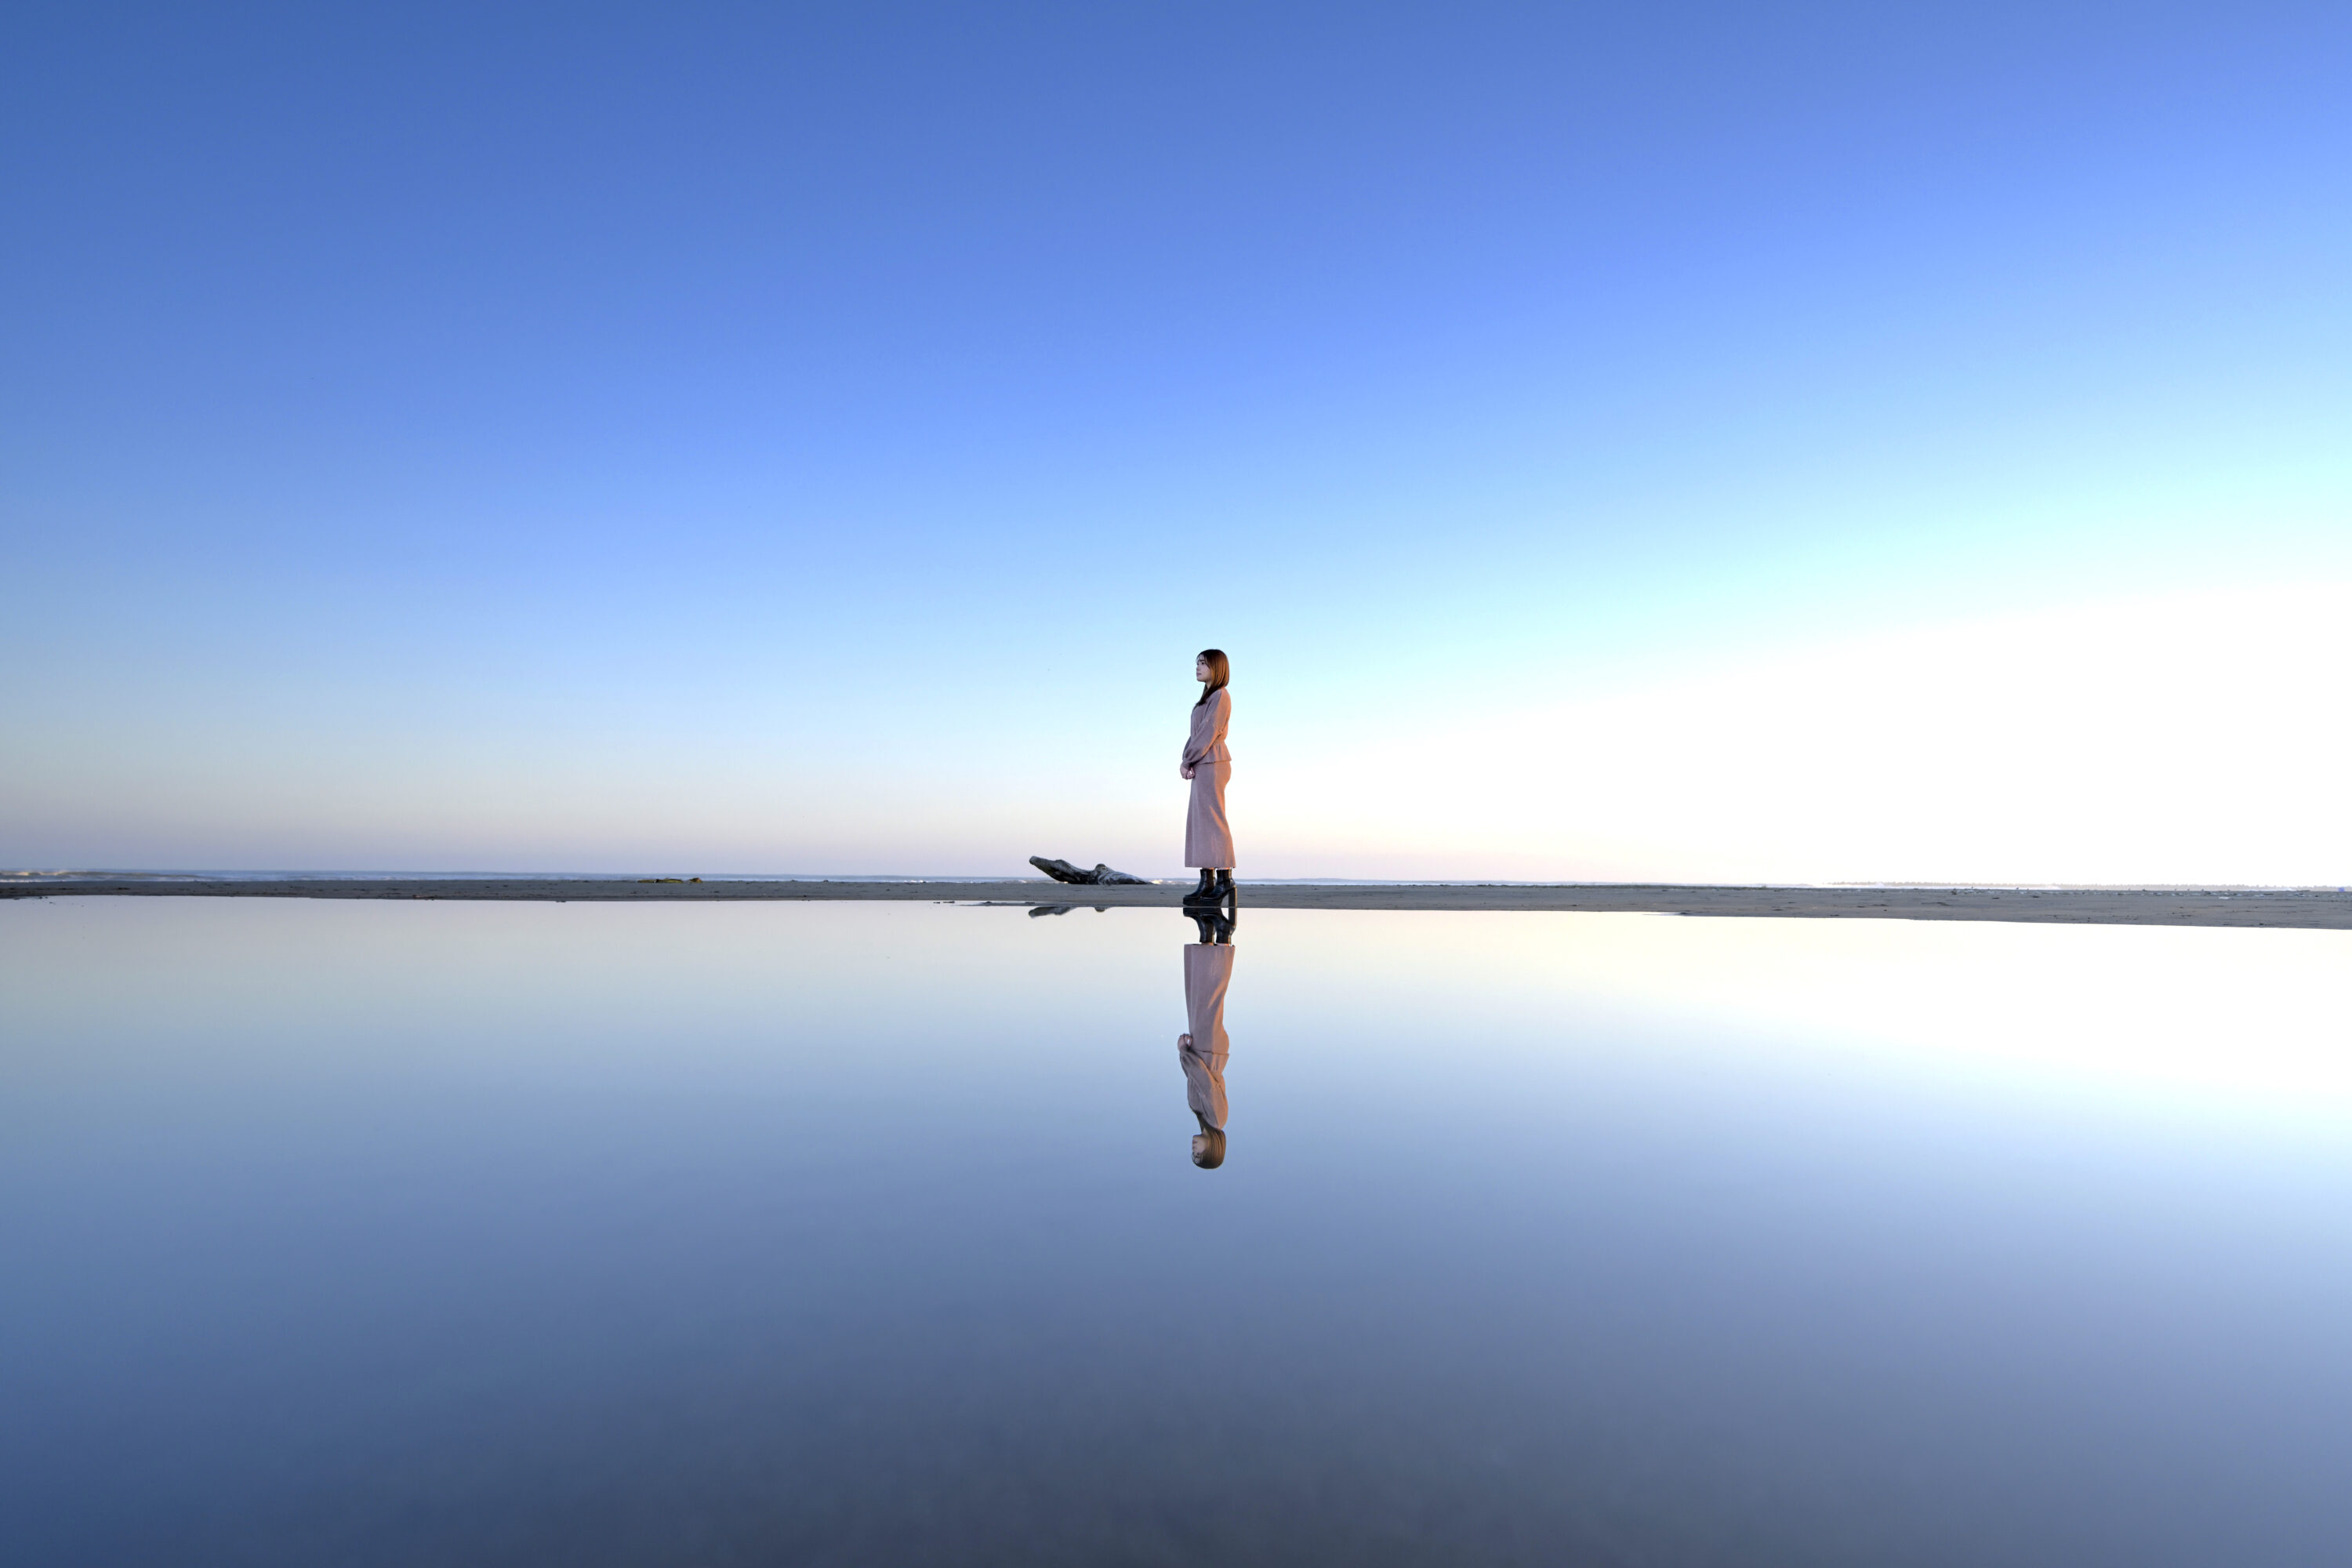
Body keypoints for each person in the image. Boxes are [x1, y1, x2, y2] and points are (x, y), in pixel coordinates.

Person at [1178, 907, 1235, 1168]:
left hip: (1202, 1050)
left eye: (1193, 1155)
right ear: (1212, 1149)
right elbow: (1204, 1078)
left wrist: (1185, 1052)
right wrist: (1184, 1054)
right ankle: (1223, 935)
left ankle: (1207, 933)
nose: (1193, 1150)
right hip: (1210, 1050)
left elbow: (1192, 1076)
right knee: (1211, 993)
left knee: (1199, 991)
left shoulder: (1202, 1117)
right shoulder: (1217, 1120)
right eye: (1199, 1155)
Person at [1180, 648, 1234, 906]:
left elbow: (1209, 732)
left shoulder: (1221, 696)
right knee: (1201, 822)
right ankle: (1207, 879)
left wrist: (1190, 757)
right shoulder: (1207, 698)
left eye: (1203, 663)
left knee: (1213, 820)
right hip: (1203, 761)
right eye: (1197, 663)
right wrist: (1186, 758)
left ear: (1217, 667)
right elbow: (1197, 733)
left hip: (1213, 761)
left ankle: (1225, 880)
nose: (1198, 667)